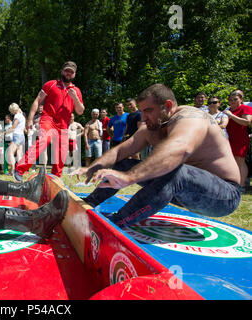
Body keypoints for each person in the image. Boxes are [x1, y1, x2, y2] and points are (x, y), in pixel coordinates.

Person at [71, 84, 241, 228]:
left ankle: (117, 223)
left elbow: (179, 148)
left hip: (224, 196)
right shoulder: (151, 126)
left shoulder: (191, 117)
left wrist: (129, 177)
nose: (143, 118)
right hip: (182, 191)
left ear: (167, 105)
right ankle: (90, 201)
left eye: (148, 111)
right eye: (142, 112)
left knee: (174, 171)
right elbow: (119, 151)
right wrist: (93, 167)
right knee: (123, 164)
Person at [14, 61, 85, 181]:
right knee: (44, 140)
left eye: (71, 72)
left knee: (62, 153)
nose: (68, 73)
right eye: (66, 70)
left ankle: (54, 178)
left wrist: (75, 99)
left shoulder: (76, 91)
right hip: (48, 119)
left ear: (74, 74)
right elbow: (37, 100)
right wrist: (30, 119)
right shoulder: (51, 84)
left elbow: (80, 111)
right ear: (62, 71)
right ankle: (19, 169)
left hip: (63, 124)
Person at [223, 91, 252, 191]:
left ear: (241, 99)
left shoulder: (246, 108)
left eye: (235, 99)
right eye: (230, 99)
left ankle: (242, 185)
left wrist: (231, 115)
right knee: (232, 162)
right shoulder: (228, 109)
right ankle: (234, 183)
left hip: (240, 139)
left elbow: (247, 122)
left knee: (240, 162)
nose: (232, 101)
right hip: (229, 139)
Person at [4, 103, 26, 176]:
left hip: (17, 136)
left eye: (11, 111)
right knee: (19, 154)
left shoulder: (17, 116)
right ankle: (19, 171)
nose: (11, 113)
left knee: (10, 152)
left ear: (13, 110)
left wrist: (4, 133)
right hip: (22, 136)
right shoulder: (22, 116)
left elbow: (13, 128)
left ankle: (12, 171)